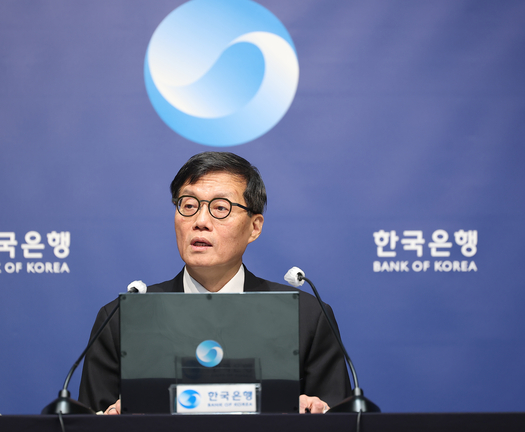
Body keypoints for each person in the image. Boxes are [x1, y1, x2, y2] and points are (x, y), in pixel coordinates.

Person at [78, 152, 350, 414]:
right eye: (188, 205)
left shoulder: (306, 317)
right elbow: (88, 422)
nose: (200, 221)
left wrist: (312, 414)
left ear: (254, 227)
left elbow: (339, 419)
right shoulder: (122, 318)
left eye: (220, 208)